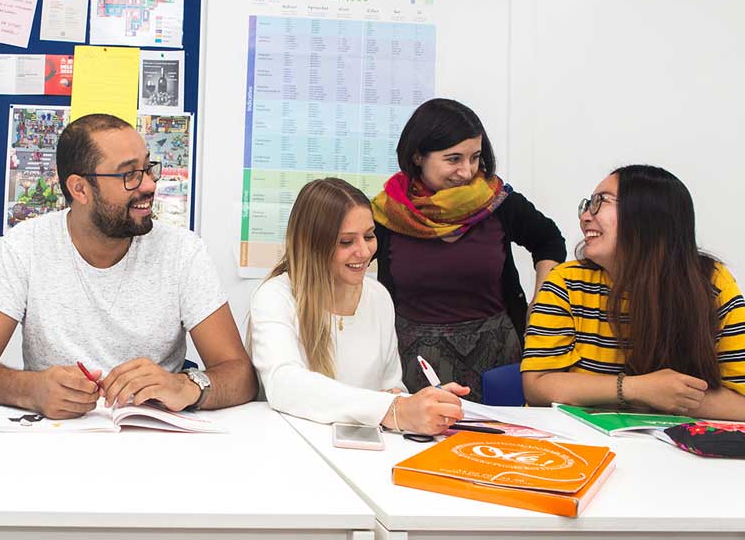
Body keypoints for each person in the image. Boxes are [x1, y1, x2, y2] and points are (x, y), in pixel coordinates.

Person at [0, 114, 257, 419]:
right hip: (54, 441)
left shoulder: (182, 252)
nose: (148, 185)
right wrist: (30, 389)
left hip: (154, 440)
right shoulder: (26, 245)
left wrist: (186, 386)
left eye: (148, 168)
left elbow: (241, 377)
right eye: (129, 175)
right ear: (79, 189)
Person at [371, 98, 566, 402]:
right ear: (418, 156)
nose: (466, 171)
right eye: (453, 159)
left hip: (497, 362)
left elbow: (549, 240)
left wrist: (540, 307)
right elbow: (339, 256)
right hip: (413, 363)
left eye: (474, 157)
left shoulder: (498, 202)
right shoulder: (389, 213)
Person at [522, 165, 745, 420]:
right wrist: (638, 389)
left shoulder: (710, 283)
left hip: (669, 452)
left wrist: (668, 397)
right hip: (577, 443)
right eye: (587, 205)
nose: (585, 217)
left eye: (600, 202)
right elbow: (536, 386)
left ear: (648, 215)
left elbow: (741, 403)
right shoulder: (566, 282)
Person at [249, 178, 469, 435]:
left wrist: (423, 405)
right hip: (296, 445)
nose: (364, 252)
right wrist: (393, 408)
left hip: (362, 449)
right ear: (312, 245)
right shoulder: (275, 296)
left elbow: (391, 389)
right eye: (346, 242)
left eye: (369, 236)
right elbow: (284, 385)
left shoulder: (378, 297)